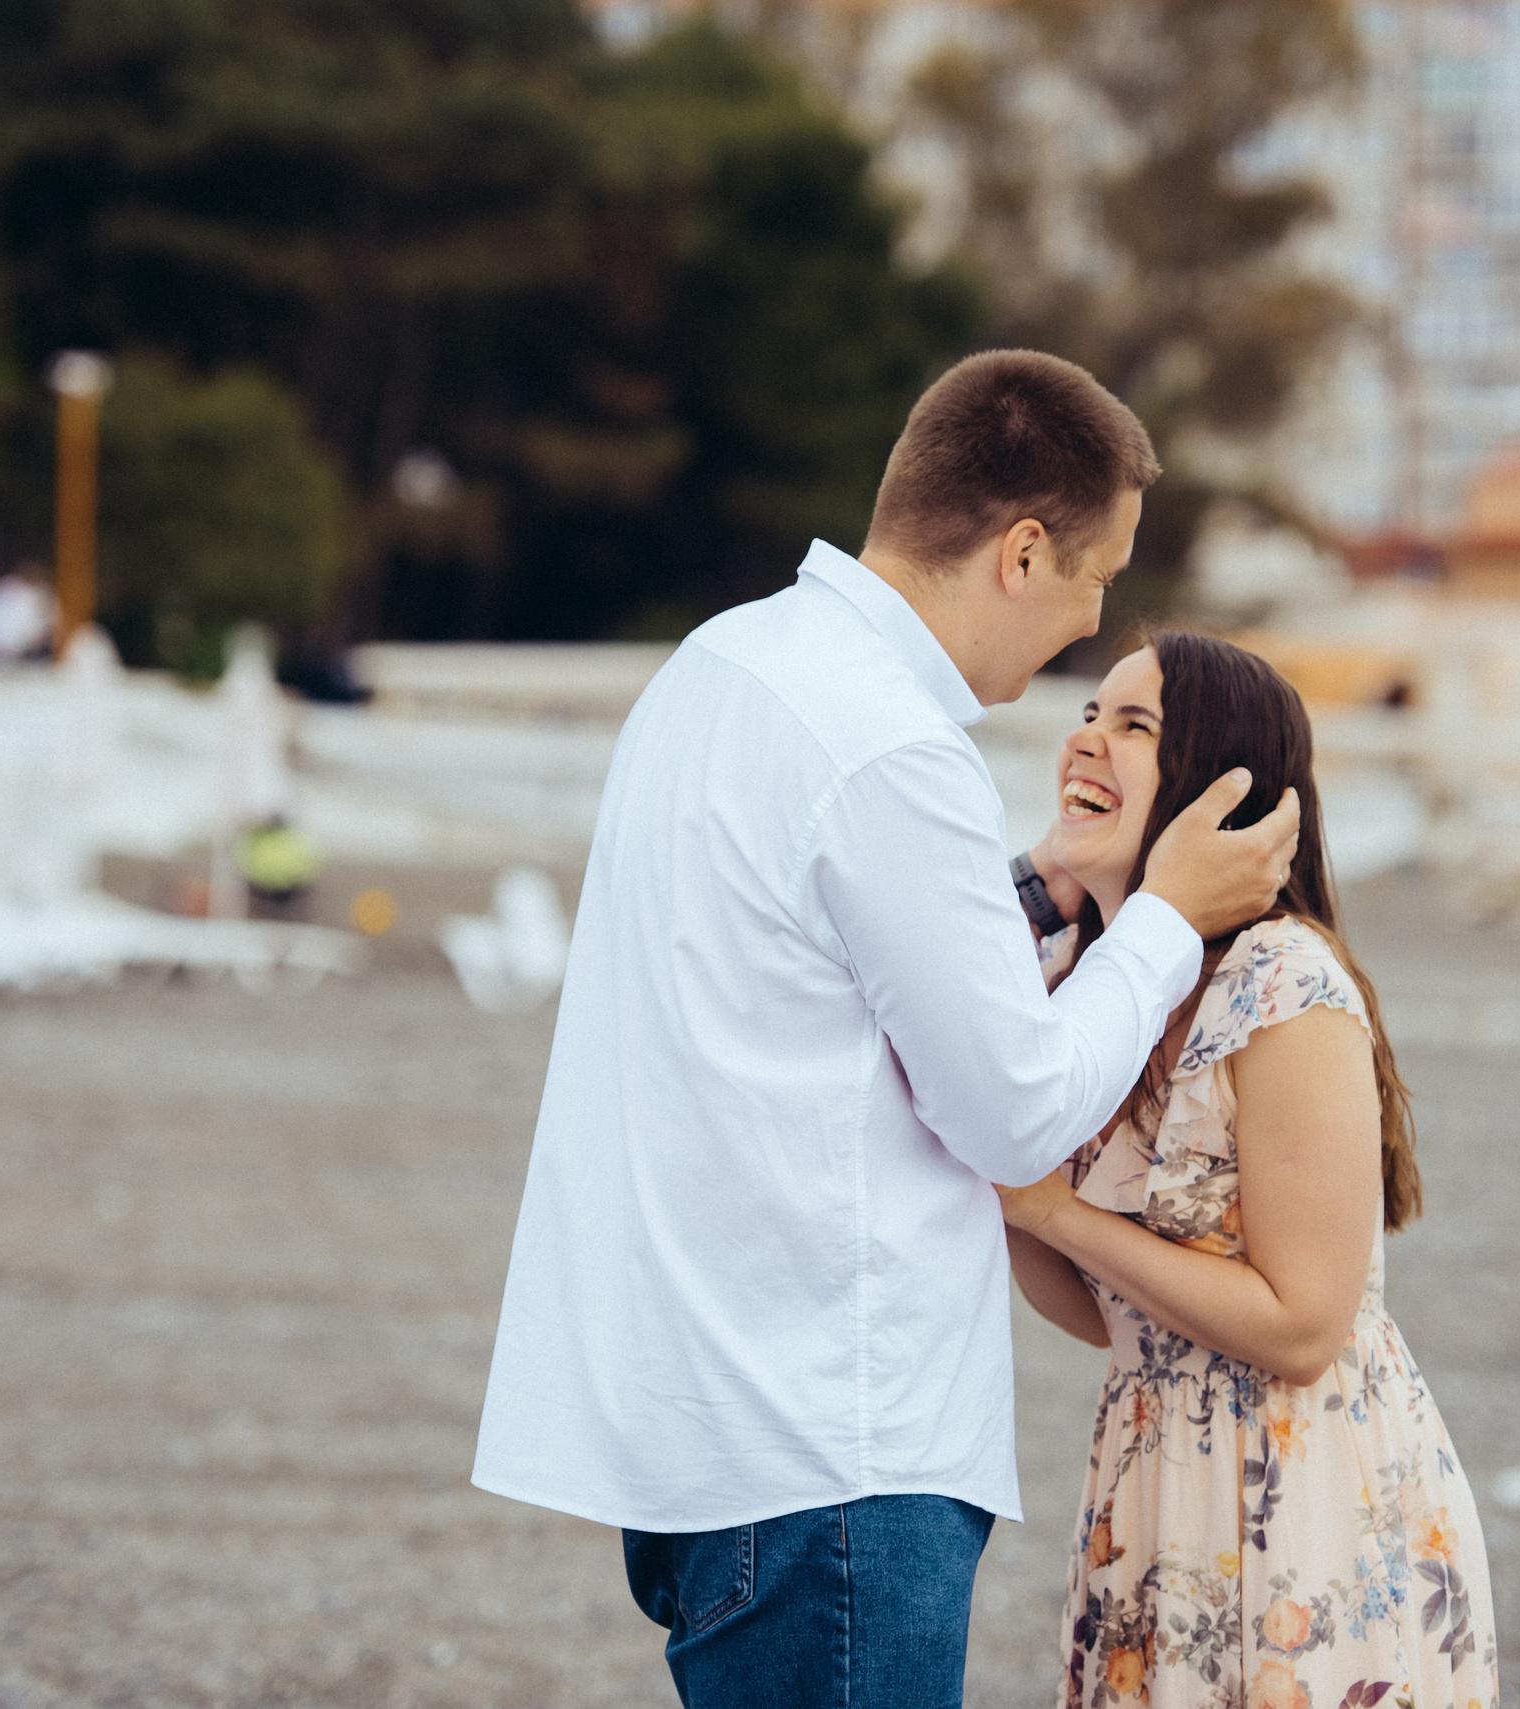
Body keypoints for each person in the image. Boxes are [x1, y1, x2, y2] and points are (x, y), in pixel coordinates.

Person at [471, 351, 1301, 1709]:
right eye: (1098, 580)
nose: (1088, 632)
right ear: (1024, 552)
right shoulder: (892, 749)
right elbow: (1016, 1112)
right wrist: (1165, 920)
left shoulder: (722, 665)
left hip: (703, 1417)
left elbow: (812, 963)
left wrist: (1028, 890)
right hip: (831, 1450)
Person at [1000, 631, 1498, 1709]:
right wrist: (1006, 1201)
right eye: (1091, 714)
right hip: (1148, 1493)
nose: (1086, 737)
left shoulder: (1282, 982)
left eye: (1134, 725)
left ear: (1214, 791)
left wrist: (1053, 1209)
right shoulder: (1081, 977)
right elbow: (1103, 1314)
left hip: (1303, 1496)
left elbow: (1302, 1325)